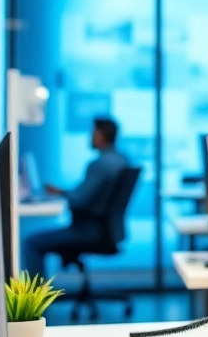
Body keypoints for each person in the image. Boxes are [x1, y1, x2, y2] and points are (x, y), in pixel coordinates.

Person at [24, 117, 130, 277]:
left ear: (101, 135)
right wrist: (63, 193)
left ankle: (36, 300)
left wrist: (61, 196)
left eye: (93, 133)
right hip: (106, 231)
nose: (91, 137)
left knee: (31, 243)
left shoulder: (100, 165)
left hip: (88, 231)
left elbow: (80, 200)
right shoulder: (122, 160)